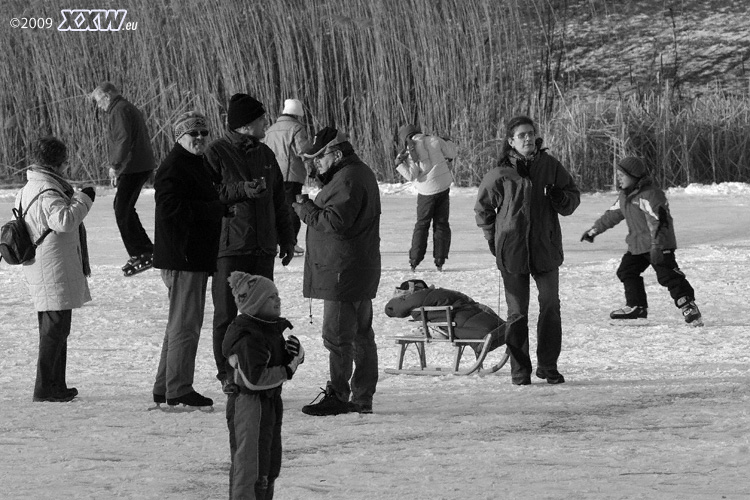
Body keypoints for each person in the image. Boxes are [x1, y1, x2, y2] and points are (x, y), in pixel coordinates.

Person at [474, 115, 580, 386]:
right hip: (513, 253)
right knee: (517, 313)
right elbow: (483, 210)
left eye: (531, 133)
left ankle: (548, 366)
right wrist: (493, 241)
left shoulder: (550, 166)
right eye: (521, 135)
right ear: (511, 141)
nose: (528, 138)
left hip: (545, 249)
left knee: (550, 306)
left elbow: (572, 199)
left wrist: (561, 198)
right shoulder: (500, 173)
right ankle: (520, 370)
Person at [205, 93, 296, 394]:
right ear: (245, 125)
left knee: (265, 314)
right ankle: (227, 374)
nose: (266, 124)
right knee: (226, 315)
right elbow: (208, 195)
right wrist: (242, 189)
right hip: (230, 248)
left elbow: (279, 200)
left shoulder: (266, 154)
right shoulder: (215, 153)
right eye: (260, 119)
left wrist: (287, 237)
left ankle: (266, 370)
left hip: (263, 248)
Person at [292, 126, 381, 415]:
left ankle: (340, 395)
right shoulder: (356, 174)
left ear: (336, 153)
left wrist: (305, 209)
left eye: (319, 158)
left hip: (343, 272)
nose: (315, 164)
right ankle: (362, 396)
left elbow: (334, 222)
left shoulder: (348, 179)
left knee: (338, 337)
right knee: (361, 335)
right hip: (355, 268)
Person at [152, 112, 225, 409]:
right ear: (179, 136)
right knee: (185, 325)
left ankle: (164, 385)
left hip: (188, 256)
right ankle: (179, 388)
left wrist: (217, 208)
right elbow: (170, 208)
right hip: (183, 257)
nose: (199, 139)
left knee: (178, 324)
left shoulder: (193, 163)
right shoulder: (174, 166)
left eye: (204, 133)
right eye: (193, 134)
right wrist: (212, 208)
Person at [17, 136, 95, 402]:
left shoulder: (33, 185)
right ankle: (46, 388)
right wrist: (85, 198)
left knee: (56, 329)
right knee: (54, 330)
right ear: (58, 162)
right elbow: (64, 221)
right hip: (52, 267)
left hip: (46, 265)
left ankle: (56, 385)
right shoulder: (48, 189)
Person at [581, 156, 703, 326]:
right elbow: (612, 215)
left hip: (658, 245)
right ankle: (637, 306)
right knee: (626, 271)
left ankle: (688, 306)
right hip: (638, 245)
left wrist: (657, 246)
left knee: (668, 276)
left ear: (634, 176)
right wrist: (594, 230)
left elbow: (660, 221)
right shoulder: (625, 196)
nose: (618, 178)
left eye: (622, 175)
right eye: (618, 175)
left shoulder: (650, 195)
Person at [223, 271, 304, 500]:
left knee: (267, 464)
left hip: (267, 404)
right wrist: (289, 368)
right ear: (255, 302)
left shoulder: (267, 329)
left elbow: (272, 364)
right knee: (250, 467)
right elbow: (255, 379)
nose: (277, 300)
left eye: (277, 295)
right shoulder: (250, 337)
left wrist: (292, 356)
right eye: (270, 297)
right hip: (250, 407)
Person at [90, 82, 156, 276]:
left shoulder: (119, 110)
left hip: (133, 166)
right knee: (125, 208)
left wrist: (115, 165)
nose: (99, 106)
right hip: (138, 164)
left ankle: (142, 251)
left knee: (122, 210)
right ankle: (144, 249)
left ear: (107, 96)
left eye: (99, 101)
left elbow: (122, 139)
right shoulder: (124, 107)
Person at [394, 124, 457, 271]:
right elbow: (451, 153)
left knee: (422, 224)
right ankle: (440, 260)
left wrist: (399, 164)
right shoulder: (435, 139)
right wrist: (448, 141)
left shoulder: (411, 149)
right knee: (442, 223)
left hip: (426, 193)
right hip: (443, 187)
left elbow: (411, 175)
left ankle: (415, 260)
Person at [385, 279, 506, 351]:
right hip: (479, 317)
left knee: (464, 322)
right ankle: (500, 328)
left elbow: (391, 309)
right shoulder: (440, 292)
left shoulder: (416, 298)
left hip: (465, 325)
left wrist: (398, 299)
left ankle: (481, 336)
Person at [263, 98, 312, 256]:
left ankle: (275, 241)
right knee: (292, 208)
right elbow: (303, 151)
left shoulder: (270, 130)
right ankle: (291, 241)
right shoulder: (297, 128)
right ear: (297, 114)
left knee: (275, 208)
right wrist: (312, 168)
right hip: (291, 175)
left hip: (272, 174)